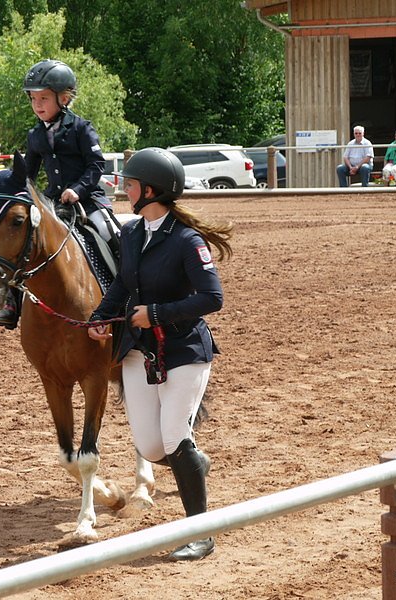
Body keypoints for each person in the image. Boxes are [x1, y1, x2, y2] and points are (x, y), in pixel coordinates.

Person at [87, 148, 231, 562]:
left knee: (173, 436)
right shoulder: (132, 234)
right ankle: (192, 463)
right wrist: (101, 315)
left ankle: (200, 533)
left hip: (184, 350)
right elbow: (122, 287)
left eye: (129, 184)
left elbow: (212, 298)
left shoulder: (187, 240)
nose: (123, 188)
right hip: (139, 352)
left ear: (149, 190)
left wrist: (155, 314)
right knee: (151, 448)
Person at [0, 58, 119, 329]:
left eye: (44, 98)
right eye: (33, 99)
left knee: (114, 237)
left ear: (64, 98)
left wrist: (77, 189)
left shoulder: (82, 128)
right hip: (53, 203)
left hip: (88, 201)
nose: (37, 105)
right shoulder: (35, 135)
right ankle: (12, 302)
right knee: (26, 244)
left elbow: (97, 165)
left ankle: (128, 292)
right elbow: (28, 172)